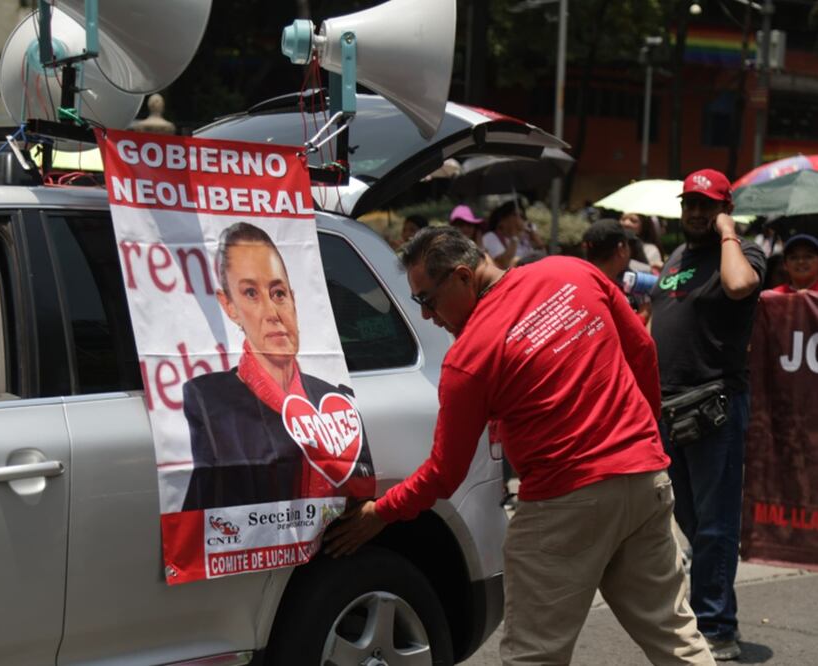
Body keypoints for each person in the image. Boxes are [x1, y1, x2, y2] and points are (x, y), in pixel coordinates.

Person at [325, 226, 713, 665]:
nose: (428, 316)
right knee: (675, 635)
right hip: (645, 480)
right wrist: (641, 433)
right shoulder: (572, 271)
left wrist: (381, 511)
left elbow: (445, 472)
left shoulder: (470, 358)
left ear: (463, 277)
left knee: (534, 655)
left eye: (427, 300)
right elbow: (642, 349)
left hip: (563, 504)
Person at [650, 169, 766, 661]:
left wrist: (727, 232)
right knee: (692, 524)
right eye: (690, 204)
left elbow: (740, 287)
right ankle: (711, 616)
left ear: (724, 206)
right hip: (667, 407)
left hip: (715, 403)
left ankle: (718, 629)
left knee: (716, 525)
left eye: (706, 205)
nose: (695, 213)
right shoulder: (676, 257)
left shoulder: (742, 253)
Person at [181, 222, 375, 511]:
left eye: (278, 293)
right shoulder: (210, 402)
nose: (273, 313)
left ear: (293, 300)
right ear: (229, 306)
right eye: (250, 293)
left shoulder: (333, 399)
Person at [482, 201, 544, 269]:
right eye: (515, 215)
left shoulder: (526, 235)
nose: (520, 219)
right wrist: (514, 237)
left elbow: (544, 254)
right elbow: (503, 263)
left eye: (522, 216)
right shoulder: (490, 237)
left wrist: (535, 238)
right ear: (503, 218)